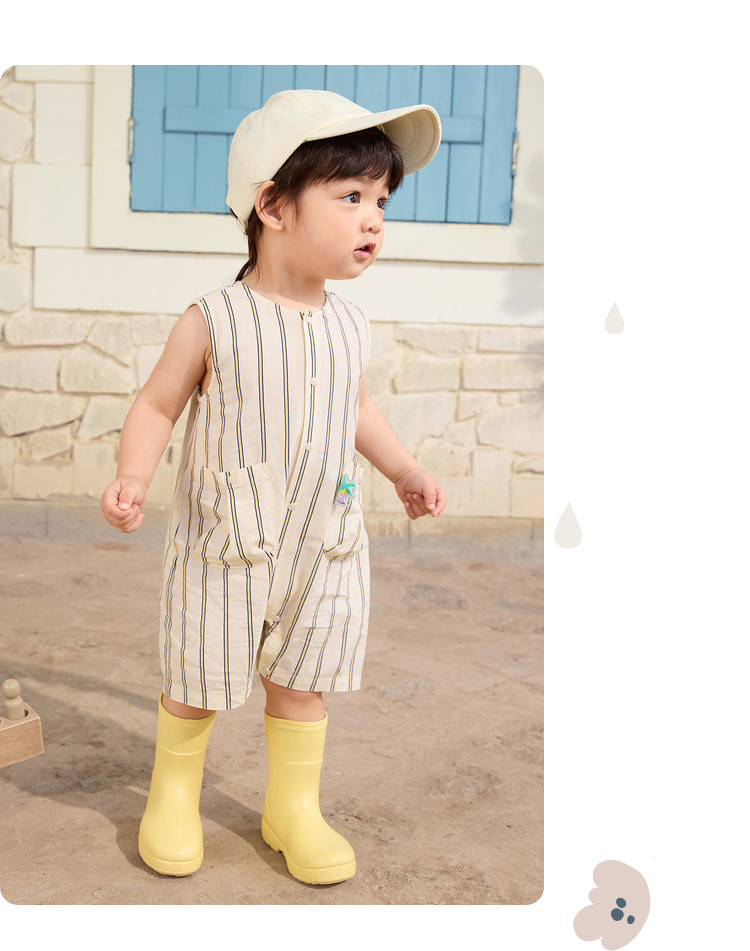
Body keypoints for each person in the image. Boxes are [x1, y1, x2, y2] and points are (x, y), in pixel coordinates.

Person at [100, 88, 447, 886]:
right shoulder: (215, 318)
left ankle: (292, 807)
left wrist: (403, 468)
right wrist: (133, 475)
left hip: (323, 543)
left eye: (382, 202)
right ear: (273, 205)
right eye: (351, 196)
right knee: (198, 675)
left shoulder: (349, 324)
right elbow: (157, 404)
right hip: (226, 541)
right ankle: (174, 796)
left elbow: (356, 408)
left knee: (303, 678)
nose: (373, 220)